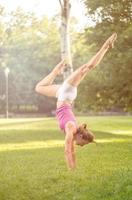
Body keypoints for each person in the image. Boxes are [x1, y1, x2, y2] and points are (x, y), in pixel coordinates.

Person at [35, 33, 117, 170]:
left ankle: (56, 72)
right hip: (66, 92)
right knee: (87, 67)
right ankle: (106, 46)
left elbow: (71, 150)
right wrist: (71, 169)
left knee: (38, 87)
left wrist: (73, 168)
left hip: (63, 95)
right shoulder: (71, 129)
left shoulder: (74, 132)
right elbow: (68, 150)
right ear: (81, 136)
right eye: (83, 143)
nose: (81, 145)